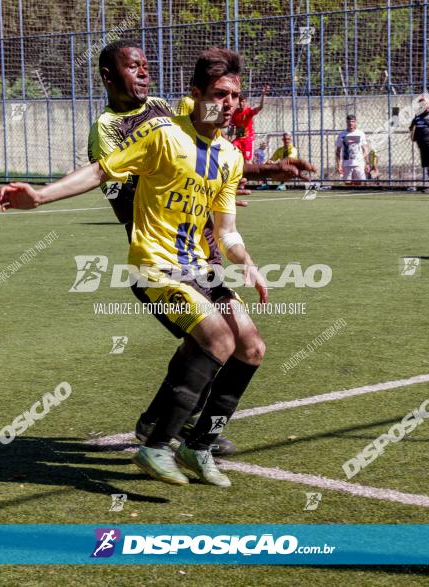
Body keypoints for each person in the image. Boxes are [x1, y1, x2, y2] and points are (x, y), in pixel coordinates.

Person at [0, 48, 267, 489]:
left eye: (235, 96)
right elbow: (100, 173)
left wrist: (248, 265)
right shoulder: (161, 134)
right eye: (220, 94)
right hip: (155, 267)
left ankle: (198, 447)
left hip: (203, 268)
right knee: (217, 337)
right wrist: (39, 196)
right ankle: (156, 446)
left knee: (252, 347)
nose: (230, 104)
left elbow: (228, 232)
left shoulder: (230, 158)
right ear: (196, 94)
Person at [87, 40, 314, 456]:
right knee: (210, 338)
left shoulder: (163, 108)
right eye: (132, 66)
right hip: (160, 253)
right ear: (107, 75)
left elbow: (206, 143)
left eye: (146, 64)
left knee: (227, 339)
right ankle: (170, 428)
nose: (143, 72)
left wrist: (264, 169)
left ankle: (172, 424)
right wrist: (193, 193)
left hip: (200, 245)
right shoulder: (106, 130)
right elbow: (127, 201)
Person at [228, 85, 267, 162]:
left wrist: (263, 95)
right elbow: (232, 127)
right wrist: (229, 139)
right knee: (231, 151)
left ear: (245, 101)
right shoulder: (235, 113)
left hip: (248, 139)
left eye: (242, 101)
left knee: (247, 162)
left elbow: (260, 107)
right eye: (239, 101)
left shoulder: (249, 111)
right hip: (238, 140)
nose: (240, 103)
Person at [335, 114, 369, 183]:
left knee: (360, 184)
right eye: (349, 121)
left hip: (359, 164)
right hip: (346, 164)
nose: (351, 123)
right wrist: (338, 165)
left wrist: (367, 163)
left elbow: (365, 149)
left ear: (355, 122)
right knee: (347, 184)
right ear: (346, 122)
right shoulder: (341, 135)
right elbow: (338, 151)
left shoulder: (360, 133)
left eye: (353, 121)